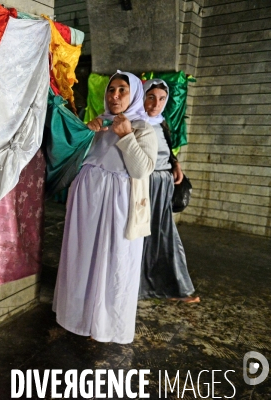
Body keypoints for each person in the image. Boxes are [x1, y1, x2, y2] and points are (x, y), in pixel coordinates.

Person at [53, 71, 157, 344]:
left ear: (134, 94)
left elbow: (142, 169)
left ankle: (106, 323)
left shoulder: (143, 128)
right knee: (83, 257)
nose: (115, 95)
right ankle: (78, 317)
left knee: (114, 262)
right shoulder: (98, 124)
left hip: (118, 207)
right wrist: (87, 133)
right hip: (87, 204)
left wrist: (126, 136)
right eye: (112, 90)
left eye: (123, 90)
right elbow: (77, 159)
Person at [139, 79, 199, 303]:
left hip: (163, 185)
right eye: (151, 97)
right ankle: (142, 287)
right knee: (143, 235)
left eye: (162, 99)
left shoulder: (161, 123)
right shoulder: (135, 122)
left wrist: (175, 164)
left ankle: (173, 288)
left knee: (165, 236)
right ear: (141, 96)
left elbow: (166, 152)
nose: (156, 104)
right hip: (145, 185)